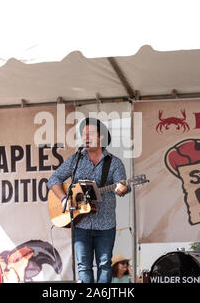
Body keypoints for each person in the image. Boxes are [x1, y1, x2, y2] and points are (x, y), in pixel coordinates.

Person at [47, 117, 129, 283]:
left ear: (101, 138)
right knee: (83, 266)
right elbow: (53, 179)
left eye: (90, 134)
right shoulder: (76, 159)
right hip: (80, 223)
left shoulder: (114, 163)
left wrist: (122, 188)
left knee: (104, 265)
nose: (85, 138)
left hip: (105, 223)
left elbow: (122, 186)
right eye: (83, 134)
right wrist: (63, 199)